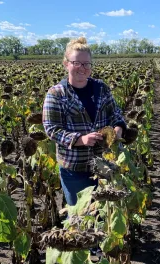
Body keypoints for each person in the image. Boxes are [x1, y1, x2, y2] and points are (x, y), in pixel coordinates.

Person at [42, 36, 127, 206]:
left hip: (105, 165)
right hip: (75, 168)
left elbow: (115, 113)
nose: (82, 68)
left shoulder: (101, 88)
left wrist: (118, 129)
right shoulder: (57, 93)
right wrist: (80, 140)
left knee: (104, 215)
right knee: (79, 217)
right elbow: (52, 128)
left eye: (86, 64)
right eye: (76, 63)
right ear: (66, 63)